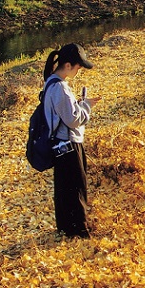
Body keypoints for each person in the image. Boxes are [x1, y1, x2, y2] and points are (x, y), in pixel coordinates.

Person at [41, 43, 100, 238]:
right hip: (68, 143)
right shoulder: (60, 88)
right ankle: (78, 230)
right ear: (67, 65)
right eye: (78, 67)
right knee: (76, 187)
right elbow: (73, 119)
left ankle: (66, 228)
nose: (79, 70)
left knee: (64, 188)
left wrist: (81, 104)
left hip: (59, 144)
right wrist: (86, 107)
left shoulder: (50, 82)